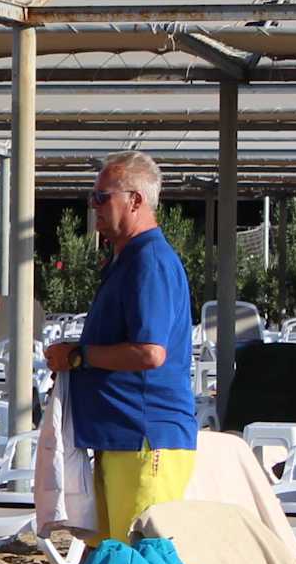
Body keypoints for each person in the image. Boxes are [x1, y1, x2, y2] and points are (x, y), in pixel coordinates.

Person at [45, 151, 197, 544]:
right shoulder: (128, 260)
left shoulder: (149, 261)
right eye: (92, 197)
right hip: (121, 437)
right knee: (114, 556)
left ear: (135, 200)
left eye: (102, 197)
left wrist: (79, 357)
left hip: (144, 437)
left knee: (142, 562)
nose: (93, 206)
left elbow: (151, 352)